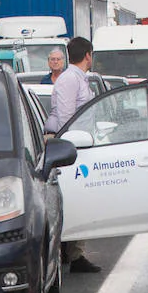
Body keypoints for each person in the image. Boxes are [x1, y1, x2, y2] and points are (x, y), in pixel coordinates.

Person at [44, 37, 100, 274]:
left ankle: (74, 252)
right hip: (69, 144)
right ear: (88, 54)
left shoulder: (78, 78)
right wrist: (74, 143)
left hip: (76, 142)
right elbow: (68, 115)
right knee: (69, 196)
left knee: (78, 197)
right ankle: (70, 253)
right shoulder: (69, 79)